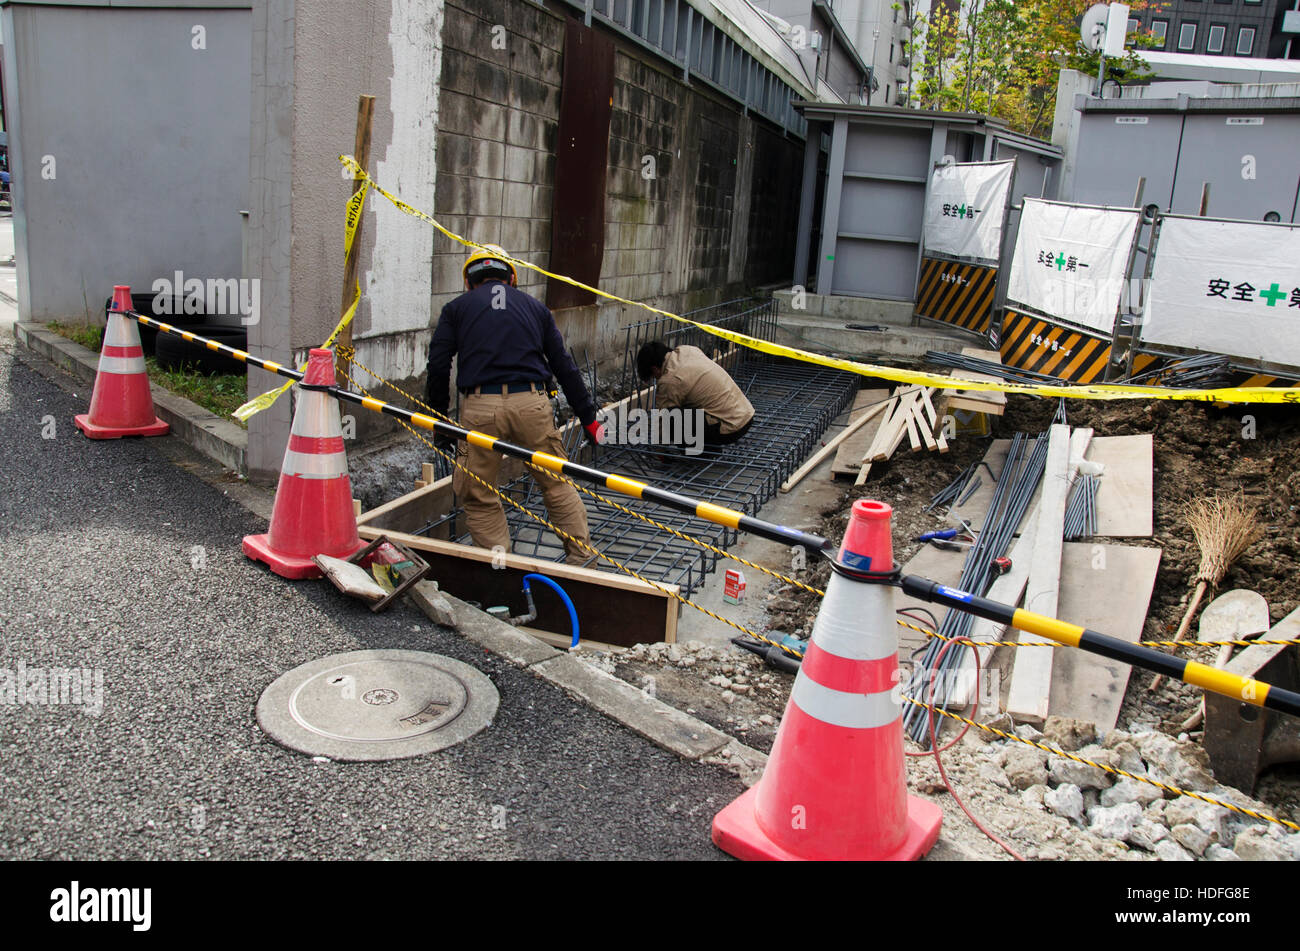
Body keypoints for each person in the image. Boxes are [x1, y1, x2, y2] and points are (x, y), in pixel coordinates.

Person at [426, 245, 603, 565]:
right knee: (556, 482)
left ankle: (500, 571)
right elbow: (565, 367)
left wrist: (439, 422)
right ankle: (582, 562)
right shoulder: (536, 309)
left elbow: (438, 366)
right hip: (532, 404)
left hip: (481, 407)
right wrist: (589, 419)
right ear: (511, 279)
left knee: (479, 495)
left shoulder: (456, 309)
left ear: (469, 281)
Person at [636, 340, 755, 447]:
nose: (656, 379)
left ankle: (700, 454)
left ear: (654, 369)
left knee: (672, 419)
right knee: (683, 407)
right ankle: (708, 444)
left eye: (653, 377)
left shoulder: (670, 380)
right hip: (745, 414)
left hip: (730, 428)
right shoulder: (687, 350)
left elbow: (662, 420)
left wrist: (659, 449)